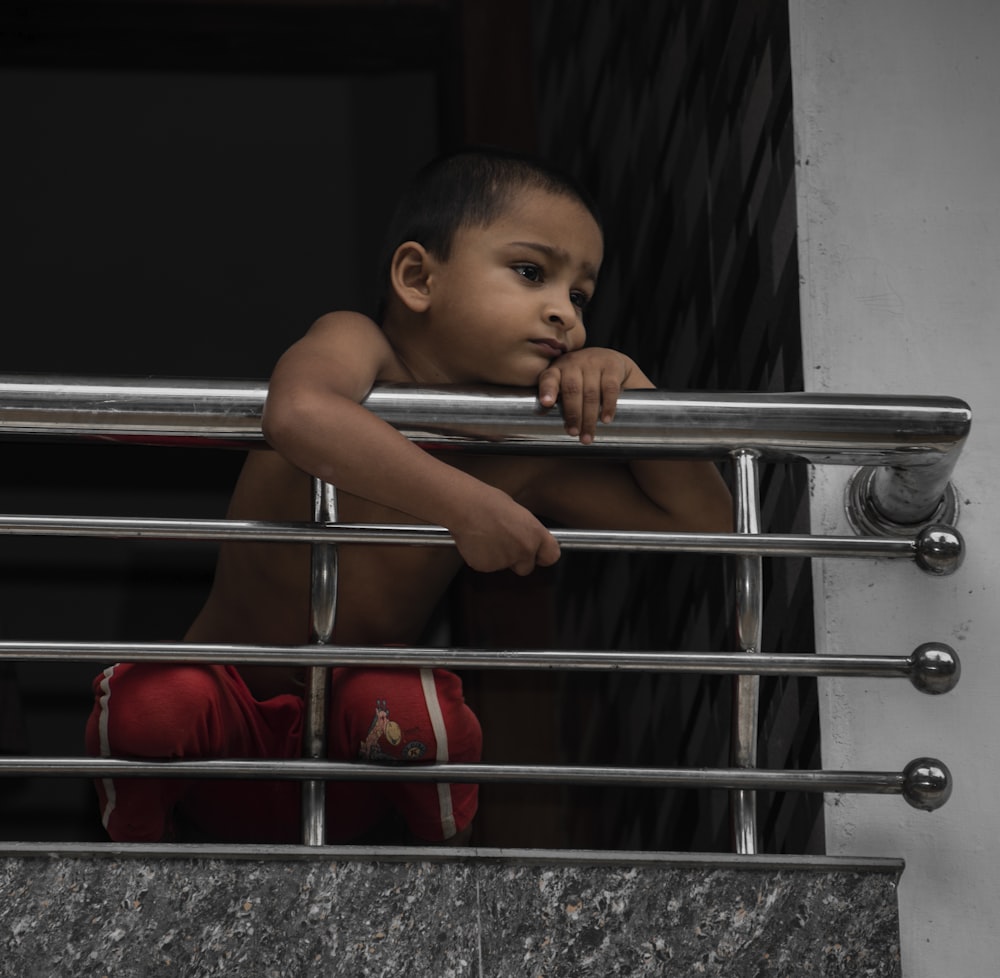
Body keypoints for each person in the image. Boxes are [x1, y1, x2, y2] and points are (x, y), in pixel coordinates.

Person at [86, 148, 732, 845]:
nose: (565, 317)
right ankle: (136, 859)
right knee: (159, 700)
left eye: (580, 297)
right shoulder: (359, 346)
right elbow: (299, 413)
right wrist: (464, 506)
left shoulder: (515, 456)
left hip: (356, 748)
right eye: (530, 272)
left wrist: (633, 385)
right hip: (217, 726)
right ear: (418, 278)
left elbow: (706, 524)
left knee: (406, 701)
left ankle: (441, 863)